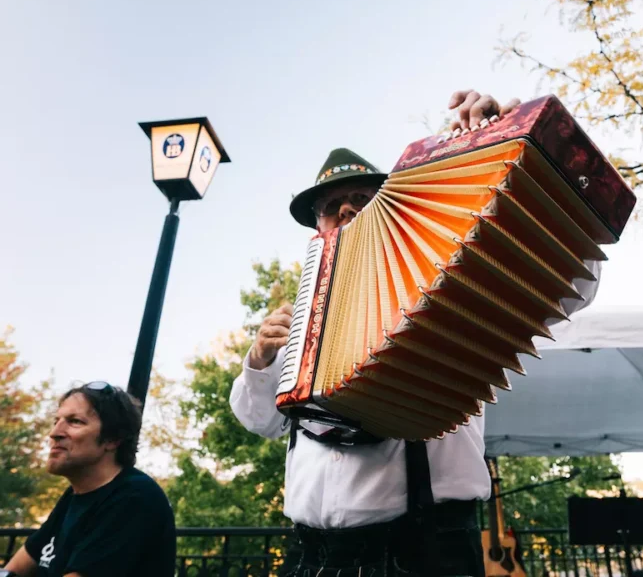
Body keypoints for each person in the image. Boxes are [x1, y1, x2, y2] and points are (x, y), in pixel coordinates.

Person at [229, 90, 602, 576]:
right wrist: (258, 363)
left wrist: (519, 151)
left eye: (362, 199)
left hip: (424, 552)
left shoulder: (443, 267)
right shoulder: (305, 321)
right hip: (310, 556)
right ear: (317, 228)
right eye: (330, 206)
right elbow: (261, 422)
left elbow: (568, 284)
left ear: (394, 206)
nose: (345, 211)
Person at [3, 382, 176, 577]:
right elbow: (13, 570)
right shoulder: (75, 494)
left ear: (113, 439)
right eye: (56, 421)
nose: (54, 433)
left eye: (75, 421)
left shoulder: (136, 498)